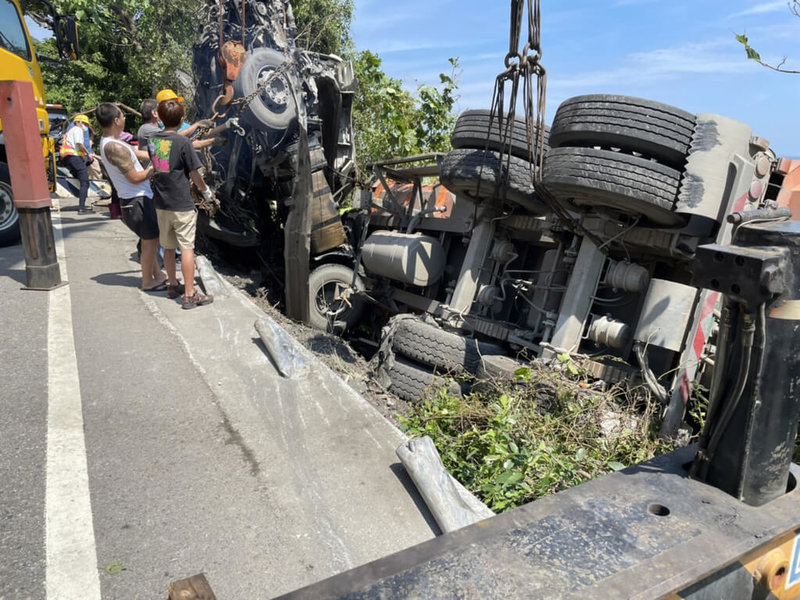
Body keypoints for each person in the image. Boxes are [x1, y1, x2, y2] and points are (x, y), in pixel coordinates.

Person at [149, 97, 215, 309]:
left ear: (159, 118)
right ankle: (189, 294)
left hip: (161, 203)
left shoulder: (154, 141)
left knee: (168, 247)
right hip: (181, 204)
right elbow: (195, 175)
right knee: (187, 248)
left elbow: (163, 169)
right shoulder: (184, 143)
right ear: (181, 120)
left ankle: (173, 285)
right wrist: (206, 192)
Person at [95, 102, 168, 292]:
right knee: (150, 242)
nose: (125, 118)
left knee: (150, 241)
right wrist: (156, 167)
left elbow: (139, 154)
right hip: (136, 200)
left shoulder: (116, 142)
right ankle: (147, 281)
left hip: (138, 198)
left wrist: (160, 153)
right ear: (116, 120)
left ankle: (157, 275)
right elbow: (135, 177)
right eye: (122, 115)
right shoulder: (114, 147)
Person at [60, 114, 95, 213]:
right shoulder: (77, 130)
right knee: (85, 182)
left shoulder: (70, 131)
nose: (85, 126)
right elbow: (79, 144)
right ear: (78, 122)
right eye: (84, 123)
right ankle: (82, 208)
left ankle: (81, 203)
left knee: (79, 174)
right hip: (73, 157)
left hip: (69, 158)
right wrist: (89, 154)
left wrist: (88, 157)